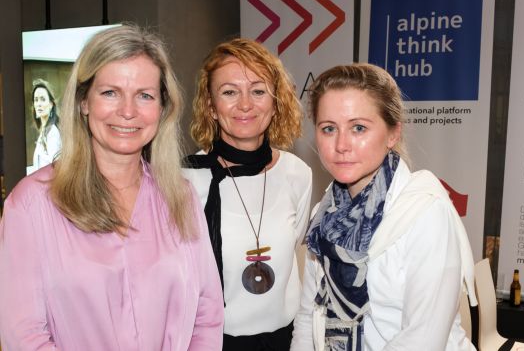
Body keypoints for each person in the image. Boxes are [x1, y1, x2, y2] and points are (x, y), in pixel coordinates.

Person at [0, 24, 224, 350]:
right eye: (110, 93)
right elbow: (24, 335)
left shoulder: (181, 197)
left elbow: (207, 313)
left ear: (162, 109)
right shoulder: (32, 205)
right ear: (83, 102)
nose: (128, 111)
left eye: (144, 95)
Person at [290, 64, 477, 351]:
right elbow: (307, 318)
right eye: (329, 129)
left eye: (359, 128)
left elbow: (423, 340)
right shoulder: (324, 217)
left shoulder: (424, 211)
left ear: (393, 134)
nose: (341, 144)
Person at [183, 38, 312, 350]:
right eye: (229, 92)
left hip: (286, 340)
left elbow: (293, 245)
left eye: (258, 91)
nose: (245, 104)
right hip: (210, 342)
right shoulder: (184, 180)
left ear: (275, 100)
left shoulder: (298, 174)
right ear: (211, 107)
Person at [28, 78, 62, 174]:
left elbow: (55, 170)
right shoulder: (44, 131)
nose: (39, 104)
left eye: (43, 99)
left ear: (50, 104)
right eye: (36, 100)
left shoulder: (52, 133)